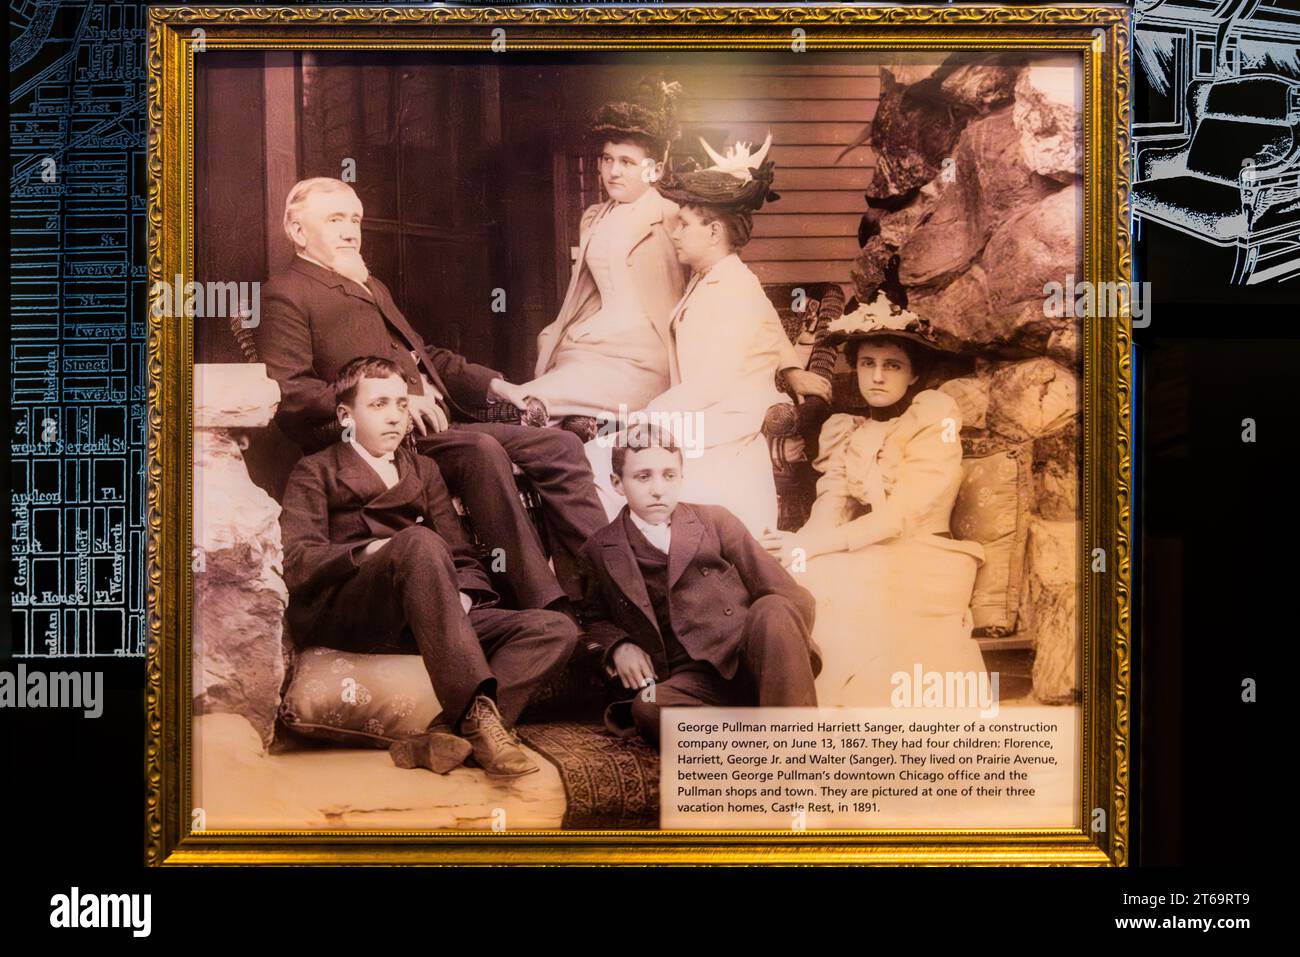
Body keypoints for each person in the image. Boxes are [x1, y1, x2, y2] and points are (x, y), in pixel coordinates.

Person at [257, 177, 609, 610]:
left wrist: (497, 385)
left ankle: (601, 592)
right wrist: (396, 401)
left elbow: (425, 356)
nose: (351, 231)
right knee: (480, 450)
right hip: (384, 438)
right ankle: (545, 602)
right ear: (297, 231)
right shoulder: (286, 294)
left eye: (355, 219)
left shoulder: (369, 283)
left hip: (440, 424)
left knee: (562, 444)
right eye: (335, 220)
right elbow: (292, 395)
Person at [279, 356, 579, 777]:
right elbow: (297, 559)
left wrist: (464, 595)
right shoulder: (316, 470)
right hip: (357, 611)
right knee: (418, 542)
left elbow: (460, 555)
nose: (395, 417)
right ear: (346, 415)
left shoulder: (424, 469)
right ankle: (477, 717)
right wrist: (370, 551)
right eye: (379, 404)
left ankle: (439, 735)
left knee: (554, 628)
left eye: (402, 405)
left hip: (430, 612)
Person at [584, 134, 830, 538]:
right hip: (701, 414)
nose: (675, 233)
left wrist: (642, 418)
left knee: (605, 455)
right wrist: (791, 366)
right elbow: (769, 322)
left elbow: (710, 384)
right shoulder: (713, 278)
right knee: (602, 455)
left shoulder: (733, 288)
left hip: (723, 423)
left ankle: (616, 558)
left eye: (684, 225)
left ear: (714, 232)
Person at [762, 297, 987, 707]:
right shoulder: (845, 430)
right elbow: (830, 508)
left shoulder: (933, 419)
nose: (877, 377)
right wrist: (793, 553)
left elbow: (898, 518)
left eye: (892, 365)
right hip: (870, 552)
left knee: (843, 592)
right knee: (796, 584)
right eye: (868, 363)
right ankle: (801, 728)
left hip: (926, 555)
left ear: (914, 373)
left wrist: (810, 548)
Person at [577, 425, 819, 748]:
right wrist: (618, 645)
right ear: (617, 484)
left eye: (669, 475)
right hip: (690, 682)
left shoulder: (715, 521)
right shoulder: (599, 548)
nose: (658, 489)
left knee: (773, 608)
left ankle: (796, 759)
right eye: (643, 477)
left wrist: (783, 655)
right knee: (648, 707)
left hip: (749, 657)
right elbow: (592, 619)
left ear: (681, 477)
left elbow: (789, 594)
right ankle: (756, 735)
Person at [523, 98, 689, 432]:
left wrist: (789, 367)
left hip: (643, 354)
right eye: (607, 159)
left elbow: (720, 279)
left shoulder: (671, 217)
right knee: (549, 379)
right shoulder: (594, 218)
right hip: (593, 342)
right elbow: (587, 294)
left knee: (537, 401)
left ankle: (525, 405)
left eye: (627, 162)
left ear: (653, 170)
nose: (612, 171)